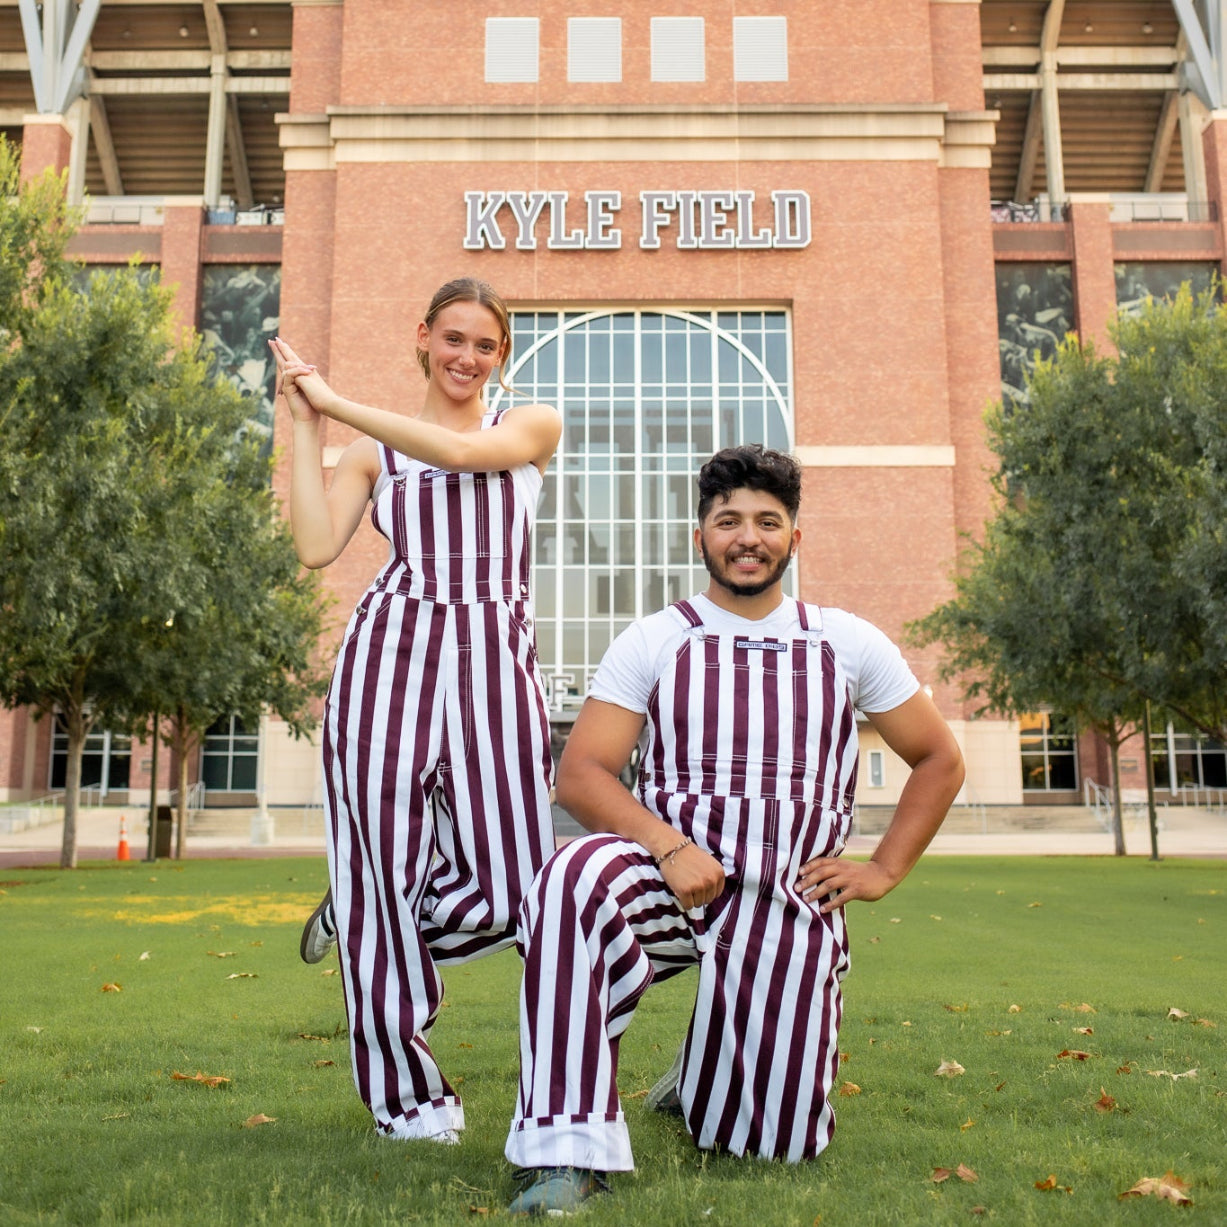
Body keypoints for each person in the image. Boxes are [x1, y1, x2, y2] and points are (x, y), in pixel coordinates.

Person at [504, 444, 964, 1214]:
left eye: (766, 521)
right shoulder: (655, 638)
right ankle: (562, 1150)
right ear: (700, 537)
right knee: (571, 881)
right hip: (668, 880)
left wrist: (882, 868)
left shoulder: (847, 641)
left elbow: (938, 758)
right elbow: (581, 772)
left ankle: (700, 1076)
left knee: (767, 1143)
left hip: (787, 897)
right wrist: (669, 847)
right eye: (728, 521)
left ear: (793, 537)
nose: (747, 536)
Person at [270, 278, 561, 1143]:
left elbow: (463, 455)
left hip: (495, 664)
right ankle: (409, 1102)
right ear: (424, 336)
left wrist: (339, 401)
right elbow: (315, 546)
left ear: (501, 355)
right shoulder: (372, 455)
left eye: (484, 345)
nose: (466, 357)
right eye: (453, 338)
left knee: (518, 886)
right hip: (388, 660)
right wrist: (308, 426)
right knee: (380, 880)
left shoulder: (530, 425)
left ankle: (361, 909)